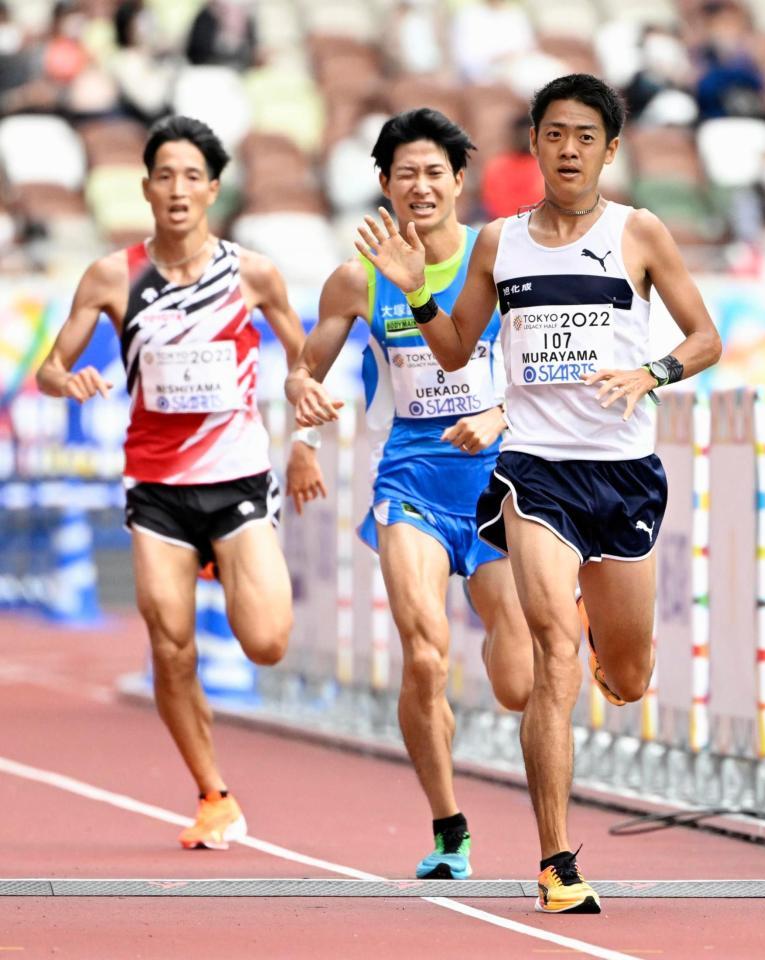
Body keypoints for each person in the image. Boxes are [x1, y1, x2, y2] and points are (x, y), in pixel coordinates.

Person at [355, 74, 722, 913]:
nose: (568, 150)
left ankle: (603, 639)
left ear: (610, 149)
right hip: (534, 470)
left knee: (627, 676)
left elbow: (706, 338)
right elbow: (454, 350)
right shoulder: (500, 242)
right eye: (553, 134)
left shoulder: (640, 232)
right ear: (534, 144)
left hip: (622, 472)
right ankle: (557, 863)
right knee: (553, 652)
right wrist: (417, 290)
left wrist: (652, 372)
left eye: (585, 136)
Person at [36, 115, 326, 850]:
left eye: (191, 176)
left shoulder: (254, 273)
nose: (177, 189)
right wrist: (69, 381)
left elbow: (306, 364)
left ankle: (227, 561)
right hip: (156, 488)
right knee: (171, 649)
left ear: (213, 189)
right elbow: (50, 368)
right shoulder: (113, 275)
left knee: (267, 642)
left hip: (236, 482)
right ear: (145, 188)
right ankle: (213, 794)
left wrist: (305, 433)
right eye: (164, 175)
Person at [286, 108, 533, 881]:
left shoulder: (499, 261)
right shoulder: (357, 278)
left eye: (434, 173)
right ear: (385, 185)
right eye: (405, 175)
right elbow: (305, 370)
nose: (420, 187)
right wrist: (302, 414)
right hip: (410, 482)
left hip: (497, 487)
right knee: (424, 656)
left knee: (518, 682)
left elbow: (546, 374)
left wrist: (497, 415)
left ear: (459, 181)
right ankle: (449, 826)